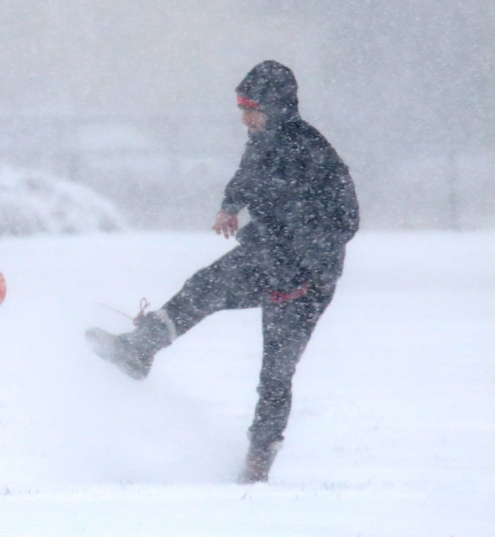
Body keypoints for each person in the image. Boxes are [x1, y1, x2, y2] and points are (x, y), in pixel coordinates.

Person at [87, 60, 358, 483]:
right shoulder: (262, 139)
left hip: (307, 280)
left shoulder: (312, 151)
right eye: (241, 110)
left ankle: (258, 460)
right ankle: (140, 350)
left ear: (279, 107)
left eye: (253, 110)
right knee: (203, 287)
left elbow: (345, 222)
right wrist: (231, 205)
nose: (245, 119)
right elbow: (248, 176)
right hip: (266, 255)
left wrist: (304, 272)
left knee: (275, 372)